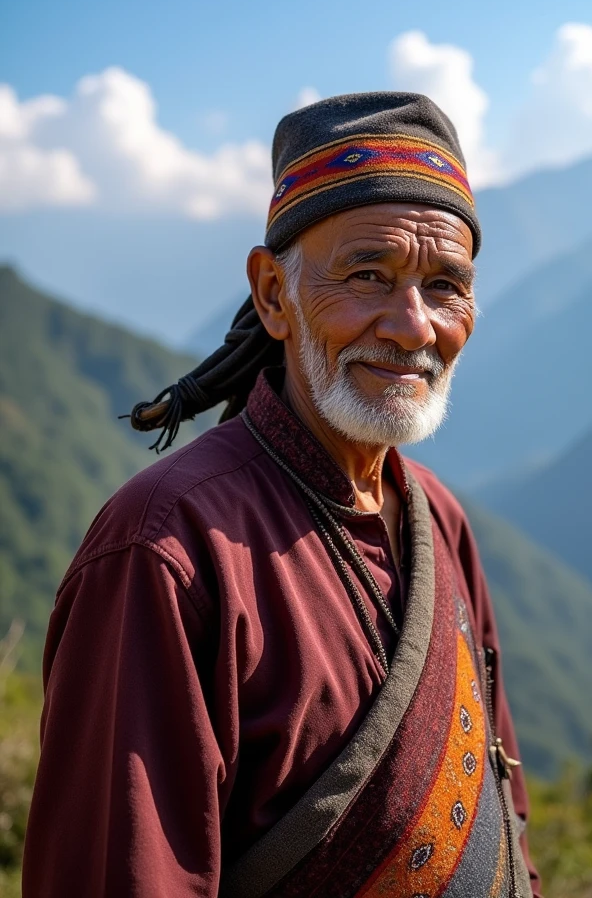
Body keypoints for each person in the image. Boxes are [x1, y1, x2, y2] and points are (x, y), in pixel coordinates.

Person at [24, 93, 541, 897]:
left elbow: (502, 820)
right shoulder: (169, 549)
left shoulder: (438, 518)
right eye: (367, 275)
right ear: (273, 294)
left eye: (445, 286)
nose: (413, 326)